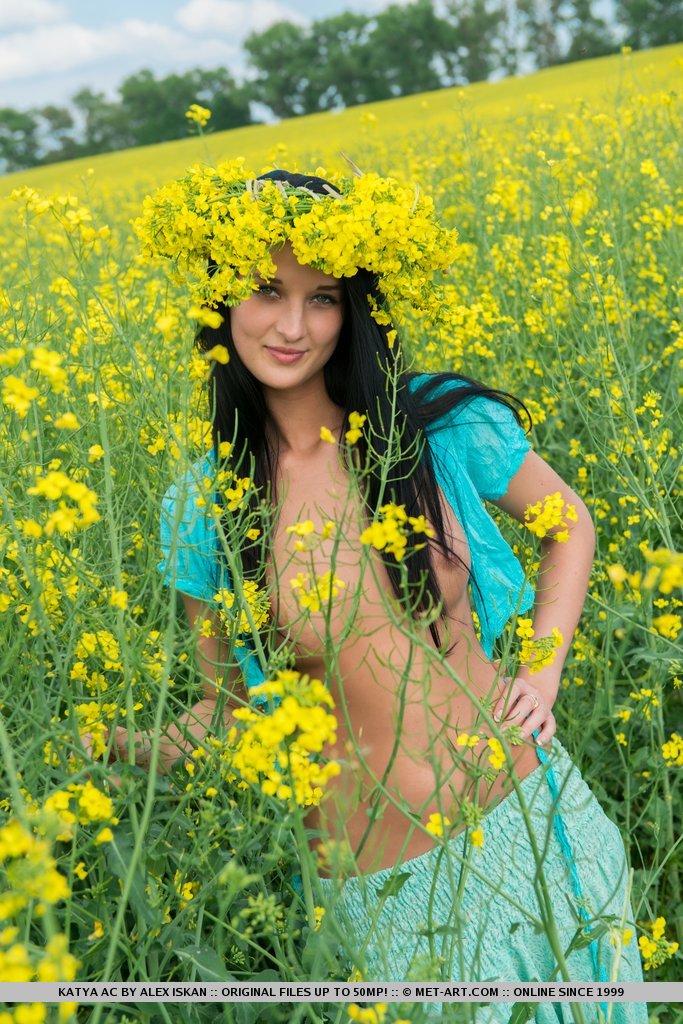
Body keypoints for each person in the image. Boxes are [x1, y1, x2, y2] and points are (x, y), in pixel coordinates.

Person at [106, 167, 646, 1020]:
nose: (292, 326)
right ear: (220, 300)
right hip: (384, 896)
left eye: (321, 298)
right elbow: (226, 710)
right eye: (265, 290)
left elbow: (567, 524)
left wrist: (540, 675)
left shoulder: (432, 426)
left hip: (535, 829)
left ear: (352, 310)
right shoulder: (201, 507)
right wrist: (107, 750)